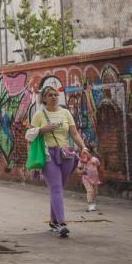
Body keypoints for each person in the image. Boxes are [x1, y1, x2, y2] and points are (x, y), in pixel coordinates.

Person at [31, 86, 89, 238]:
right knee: (56, 187)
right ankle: (62, 224)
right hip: (48, 155)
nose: (54, 97)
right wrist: (43, 130)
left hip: (66, 155)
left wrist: (83, 147)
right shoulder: (39, 115)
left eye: (56, 94)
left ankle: (53, 221)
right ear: (44, 99)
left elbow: (74, 133)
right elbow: (29, 135)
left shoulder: (65, 113)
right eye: (50, 95)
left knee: (58, 189)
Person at [80, 147, 103, 212]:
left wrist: (101, 176)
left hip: (95, 178)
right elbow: (79, 168)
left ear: (90, 153)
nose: (85, 154)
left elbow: (99, 167)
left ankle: (93, 202)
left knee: (95, 192)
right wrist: (80, 171)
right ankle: (90, 204)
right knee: (90, 191)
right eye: (83, 153)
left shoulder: (95, 159)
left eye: (86, 153)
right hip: (86, 178)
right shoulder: (82, 160)